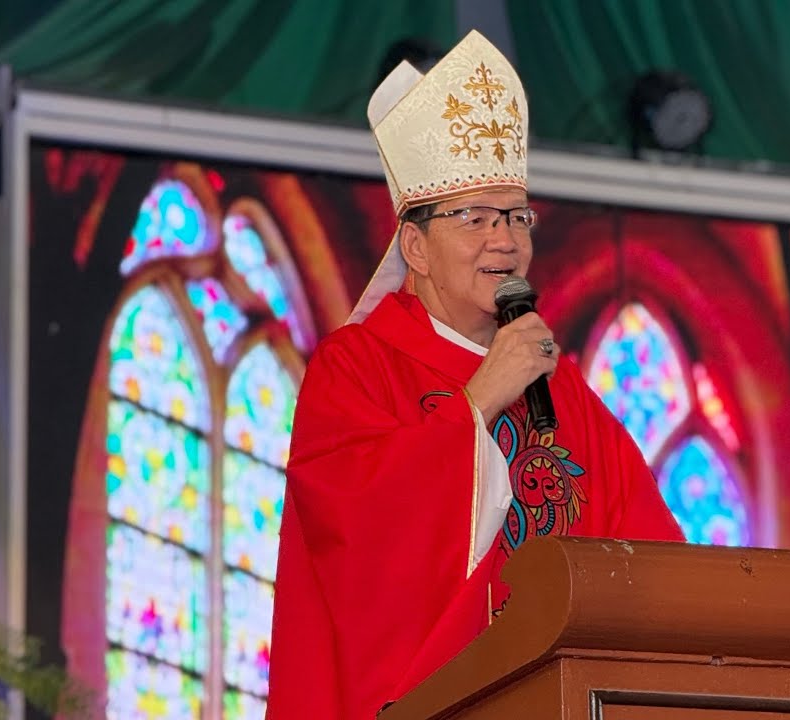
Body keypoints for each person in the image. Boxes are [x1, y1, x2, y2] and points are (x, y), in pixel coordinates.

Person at [266, 30, 684, 719]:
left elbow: (654, 566)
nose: (506, 239)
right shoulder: (357, 368)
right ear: (415, 246)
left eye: (517, 216)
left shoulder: (564, 391)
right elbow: (357, 550)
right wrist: (483, 398)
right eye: (475, 217)